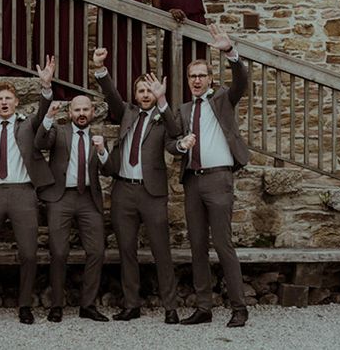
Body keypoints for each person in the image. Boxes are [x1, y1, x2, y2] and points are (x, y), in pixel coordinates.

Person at [92, 49, 180, 324]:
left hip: (152, 193)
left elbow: (176, 132)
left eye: (149, 90)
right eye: (140, 90)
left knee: (161, 251)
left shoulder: (164, 117)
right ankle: (132, 304)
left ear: (155, 94)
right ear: (135, 94)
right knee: (126, 250)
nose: (144, 94)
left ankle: (171, 307)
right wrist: (100, 68)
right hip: (123, 192)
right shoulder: (127, 113)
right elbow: (111, 96)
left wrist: (163, 100)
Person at [0, 58, 56, 325]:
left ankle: (25, 305)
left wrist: (46, 86)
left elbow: (43, 114)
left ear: (16, 101)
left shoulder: (27, 124)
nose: (4, 102)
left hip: (23, 193)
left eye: (8, 98)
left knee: (29, 253)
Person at [175, 24, 249, 328]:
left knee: (223, 244)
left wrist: (230, 51)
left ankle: (239, 308)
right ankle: (203, 307)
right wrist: (180, 145)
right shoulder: (182, 110)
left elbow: (241, 82)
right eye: (192, 76)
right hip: (192, 180)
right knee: (197, 246)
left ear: (210, 79)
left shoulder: (222, 99)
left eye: (201, 76)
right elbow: (173, 141)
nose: (196, 80)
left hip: (219, 180)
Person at [34, 98, 110, 323]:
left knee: (96, 251)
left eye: (86, 109)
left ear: (93, 112)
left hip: (88, 197)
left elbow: (109, 170)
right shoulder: (59, 131)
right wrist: (48, 117)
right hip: (61, 197)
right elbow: (39, 143)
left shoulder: (98, 138)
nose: (82, 113)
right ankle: (56, 304)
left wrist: (103, 150)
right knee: (58, 252)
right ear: (70, 112)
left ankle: (88, 305)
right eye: (77, 110)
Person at [152, 0, 238, 100]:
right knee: (176, 73)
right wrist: (170, 12)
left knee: (201, 71)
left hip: (197, 34)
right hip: (174, 37)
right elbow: (156, 17)